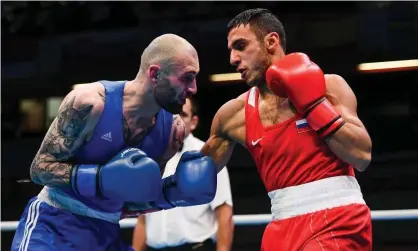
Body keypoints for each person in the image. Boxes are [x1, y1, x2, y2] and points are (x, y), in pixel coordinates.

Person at [11, 34, 218, 251]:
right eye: (187, 77)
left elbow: (134, 203)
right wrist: (98, 179)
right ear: (155, 74)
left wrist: (172, 195)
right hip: (54, 226)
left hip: (107, 231)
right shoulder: (89, 103)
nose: (194, 88)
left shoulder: (172, 131)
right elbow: (39, 169)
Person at [200, 8, 373, 251]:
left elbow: (362, 156)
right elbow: (196, 178)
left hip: (338, 219)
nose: (233, 59)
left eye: (240, 46)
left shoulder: (328, 86)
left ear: (271, 41)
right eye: (230, 50)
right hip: (281, 225)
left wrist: (313, 105)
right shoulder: (233, 115)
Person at [132, 97, 234, 251]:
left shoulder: (208, 156)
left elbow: (224, 213)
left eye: (182, 114)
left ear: (193, 122)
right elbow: (143, 217)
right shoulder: (148, 157)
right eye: (170, 113)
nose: (176, 119)